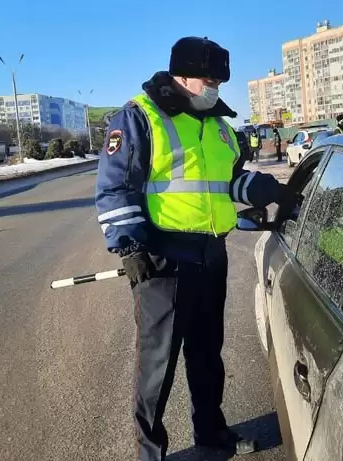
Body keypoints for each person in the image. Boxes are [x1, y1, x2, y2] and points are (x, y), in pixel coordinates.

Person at [94, 36, 298, 461]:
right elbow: (115, 187)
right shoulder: (140, 117)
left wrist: (263, 188)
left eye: (220, 83)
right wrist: (129, 247)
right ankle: (151, 453)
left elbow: (229, 181)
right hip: (163, 261)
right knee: (157, 367)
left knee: (207, 356)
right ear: (180, 76)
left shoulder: (221, 127)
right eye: (208, 80)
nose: (215, 89)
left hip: (211, 255)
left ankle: (212, 433)